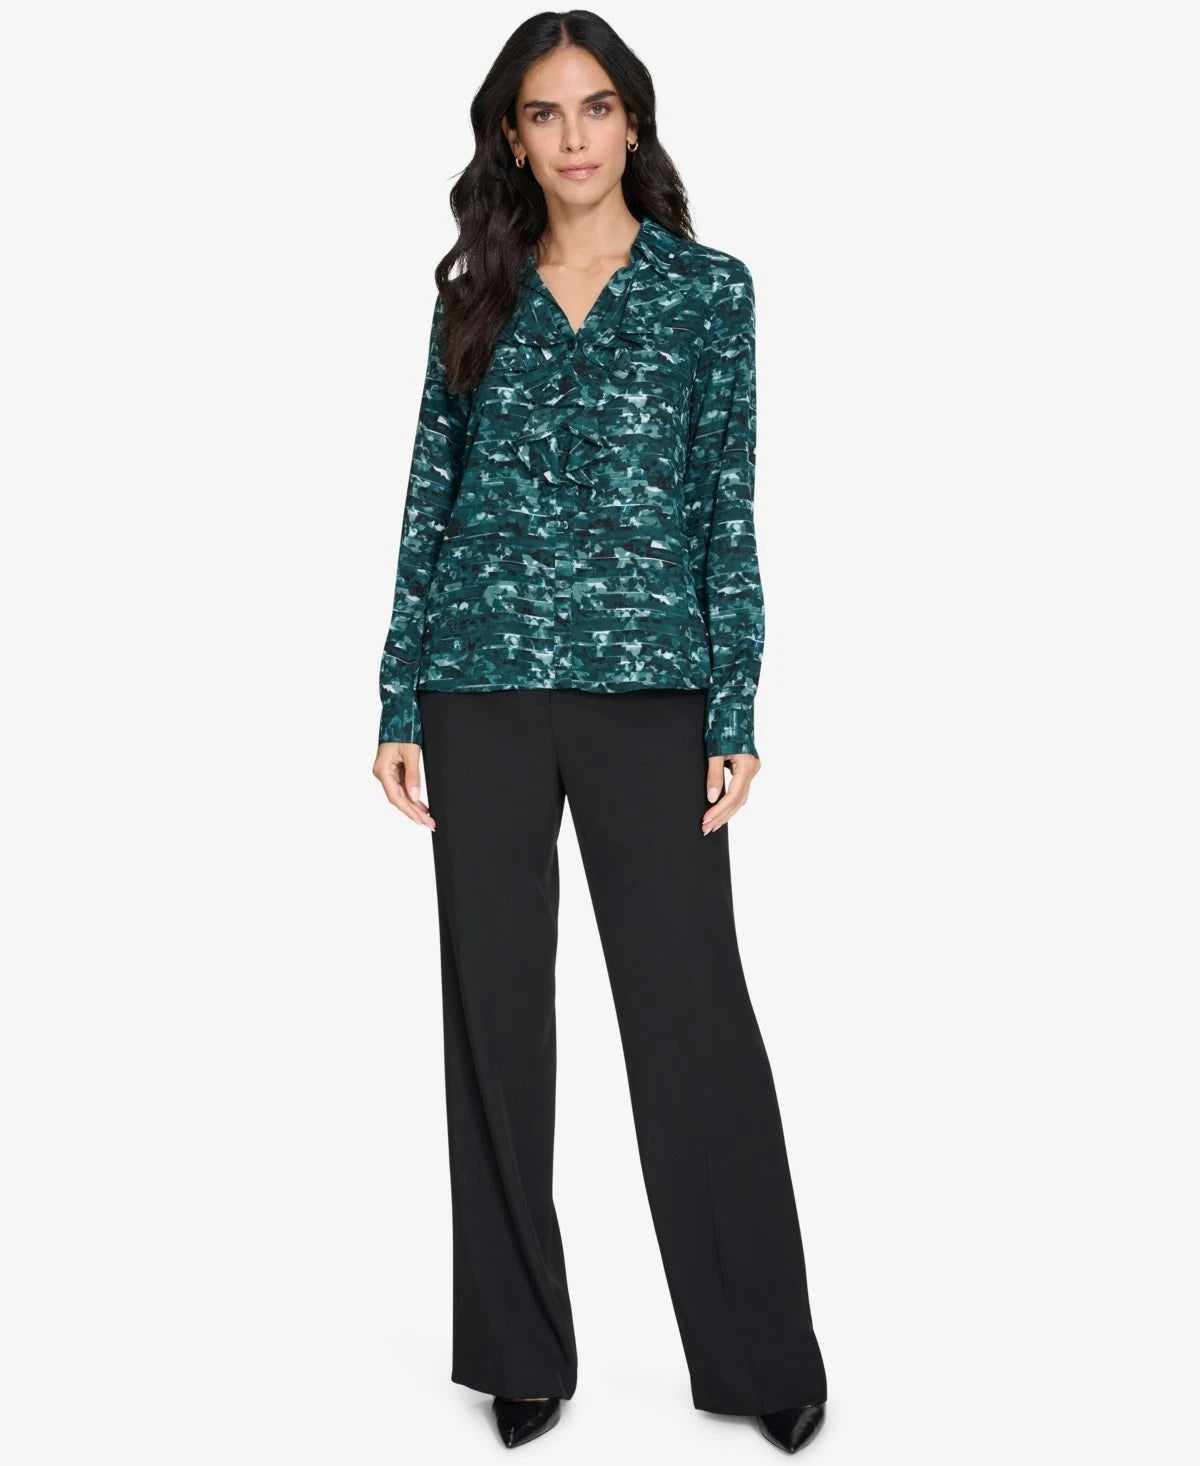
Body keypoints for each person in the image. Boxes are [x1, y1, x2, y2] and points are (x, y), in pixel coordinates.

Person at [372, 12, 828, 1454]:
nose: (572, 136)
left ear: (634, 120)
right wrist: (397, 695)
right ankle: (519, 1350)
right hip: (481, 689)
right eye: (543, 113)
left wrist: (735, 702)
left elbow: (725, 505)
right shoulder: (474, 294)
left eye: (596, 107)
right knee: (495, 1025)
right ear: (512, 139)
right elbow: (429, 499)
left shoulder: (708, 294)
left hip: (652, 695)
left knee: (693, 1019)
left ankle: (760, 1350)